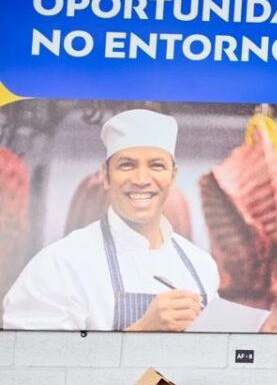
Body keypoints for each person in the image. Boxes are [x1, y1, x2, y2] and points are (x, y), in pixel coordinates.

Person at [3, 109, 218, 332]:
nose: (141, 180)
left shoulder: (201, 266)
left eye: (156, 165)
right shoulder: (60, 265)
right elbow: (32, 361)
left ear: (173, 177)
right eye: (127, 165)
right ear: (106, 175)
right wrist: (143, 330)